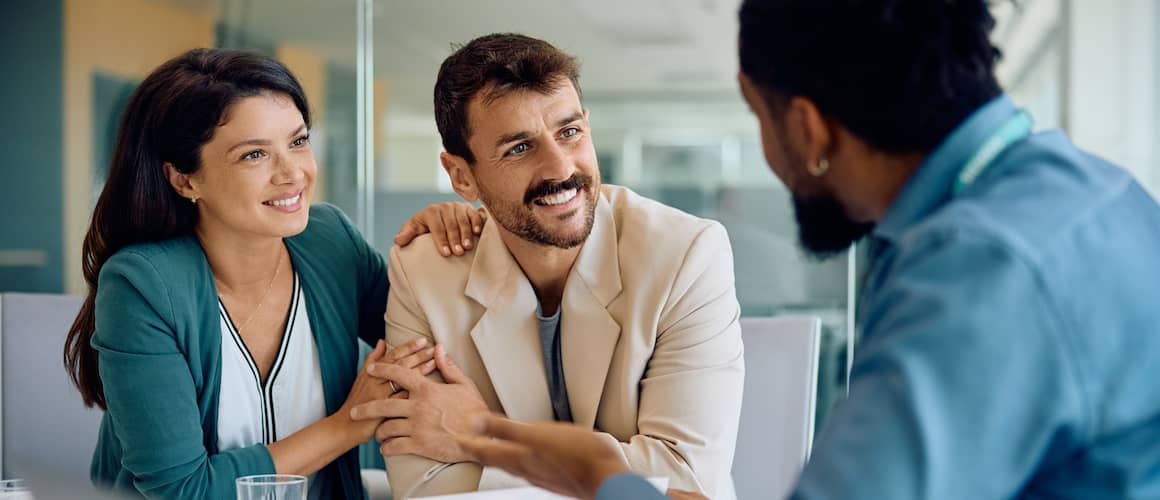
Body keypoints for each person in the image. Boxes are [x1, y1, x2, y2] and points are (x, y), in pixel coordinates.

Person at [450, 1, 1160, 499]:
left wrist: (602, 481)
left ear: (809, 128)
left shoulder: (980, 272)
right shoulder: (1093, 193)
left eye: (760, 120)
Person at [62, 48, 485, 499]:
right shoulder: (141, 286)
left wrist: (442, 241)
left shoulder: (332, 243)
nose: (293, 174)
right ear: (185, 180)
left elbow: (442, 349)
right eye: (254, 155)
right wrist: (347, 425)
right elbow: (182, 490)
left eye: (298, 142)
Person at [348, 33, 744, 499]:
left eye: (569, 132)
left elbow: (684, 481)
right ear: (461, 176)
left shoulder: (686, 255)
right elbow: (429, 489)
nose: (560, 169)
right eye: (519, 148)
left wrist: (481, 436)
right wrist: (620, 471)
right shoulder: (425, 273)